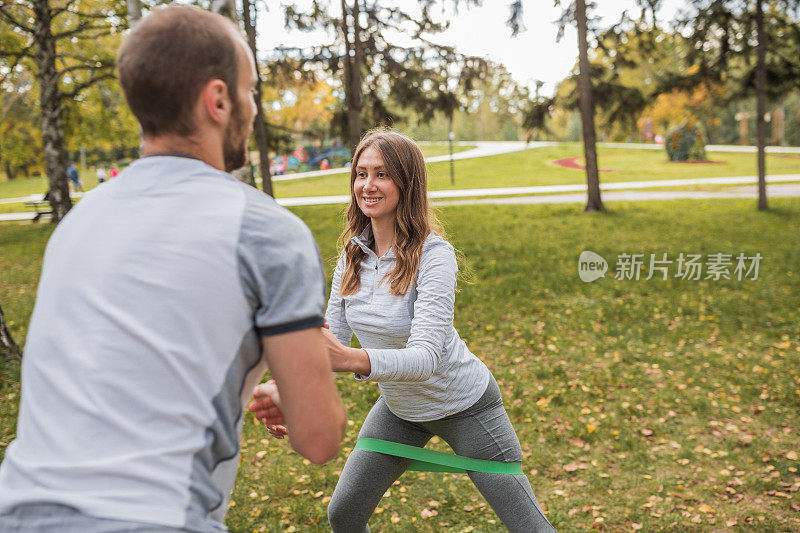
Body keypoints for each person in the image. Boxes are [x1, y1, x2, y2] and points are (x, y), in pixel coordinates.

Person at [0, 6, 346, 533]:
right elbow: (319, 437)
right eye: (250, 91)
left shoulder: (77, 224)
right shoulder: (268, 233)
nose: (252, 109)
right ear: (219, 99)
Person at [250, 128, 556, 532]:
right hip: (401, 411)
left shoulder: (436, 256)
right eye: (361, 174)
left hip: (465, 405)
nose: (367, 185)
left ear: (407, 183)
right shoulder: (352, 255)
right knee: (343, 514)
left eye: (381, 174)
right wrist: (286, 388)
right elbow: (332, 341)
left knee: (529, 529)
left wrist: (349, 360)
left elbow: (425, 359)